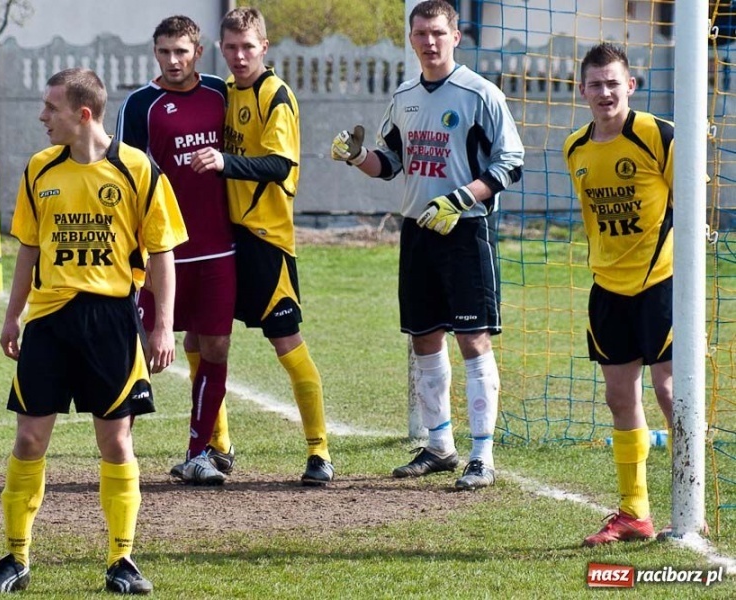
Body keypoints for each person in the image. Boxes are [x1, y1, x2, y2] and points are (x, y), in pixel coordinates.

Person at [0, 67, 187, 594]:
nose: (42, 117)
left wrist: (162, 326)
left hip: (111, 321)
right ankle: (16, 559)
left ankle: (122, 560)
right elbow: (28, 247)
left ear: (83, 113)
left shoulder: (137, 169)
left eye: (52, 108)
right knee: (28, 439)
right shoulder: (38, 170)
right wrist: (12, 315)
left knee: (115, 442)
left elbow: (162, 252)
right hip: (49, 321)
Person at [330, 0, 523, 490]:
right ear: (412, 39)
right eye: (420, 34)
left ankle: (483, 456)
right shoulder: (405, 96)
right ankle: (440, 446)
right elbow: (391, 162)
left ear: (456, 36)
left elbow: (509, 163)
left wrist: (461, 199)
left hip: (465, 230)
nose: (429, 42)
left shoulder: (480, 94)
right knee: (423, 337)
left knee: (472, 340)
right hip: (418, 230)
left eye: (438, 32)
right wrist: (358, 157)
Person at [190, 6, 334, 485]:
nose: (238, 55)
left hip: (266, 242)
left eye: (247, 46)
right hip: (223, 239)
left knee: (287, 344)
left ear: (264, 47)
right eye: (230, 47)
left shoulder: (277, 96)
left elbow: (279, 165)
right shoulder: (223, 93)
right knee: (200, 339)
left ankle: (319, 452)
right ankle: (218, 446)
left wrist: (224, 162)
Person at [563, 42, 675, 546]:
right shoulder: (575, 149)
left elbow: (689, 202)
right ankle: (635, 512)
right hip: (607, 289)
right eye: (595, 83)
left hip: (662, 283)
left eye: (614, 82)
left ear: (630, 85)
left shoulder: (657, 135)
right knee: (619, 396)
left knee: (671, 393)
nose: (605, 91)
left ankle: (691, 500)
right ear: (581, 89)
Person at [116, 15, 236, 485]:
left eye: (181, 51)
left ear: (197, 52)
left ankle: (199, 452)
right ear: (155, 53)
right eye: (164, 52)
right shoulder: (141, 105)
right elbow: (123, 177)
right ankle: (118, 446)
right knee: (142, 351)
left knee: (217, 346)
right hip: (161, 250)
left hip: (218, 248)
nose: (172, 60)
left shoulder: (220, 94)